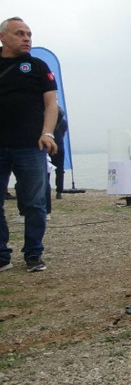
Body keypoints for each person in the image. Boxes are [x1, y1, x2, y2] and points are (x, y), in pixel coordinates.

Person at [0, 16, 59, 272]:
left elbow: (51, 104)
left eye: (29, 34)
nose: (27, 38)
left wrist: (48, 133)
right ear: (3, 37)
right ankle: (2, 255)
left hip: (31, 146)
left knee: (35, 203)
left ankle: (33, 253)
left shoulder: (38, 66)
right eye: (20, 33)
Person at [52, 106, 67, 199]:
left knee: (47, 170)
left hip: (48, 147)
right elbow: (63, 134)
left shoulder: (47, 122)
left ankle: (45, 190)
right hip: (60, 147)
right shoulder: (64, 122)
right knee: (60, 170)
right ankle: (59, 191)